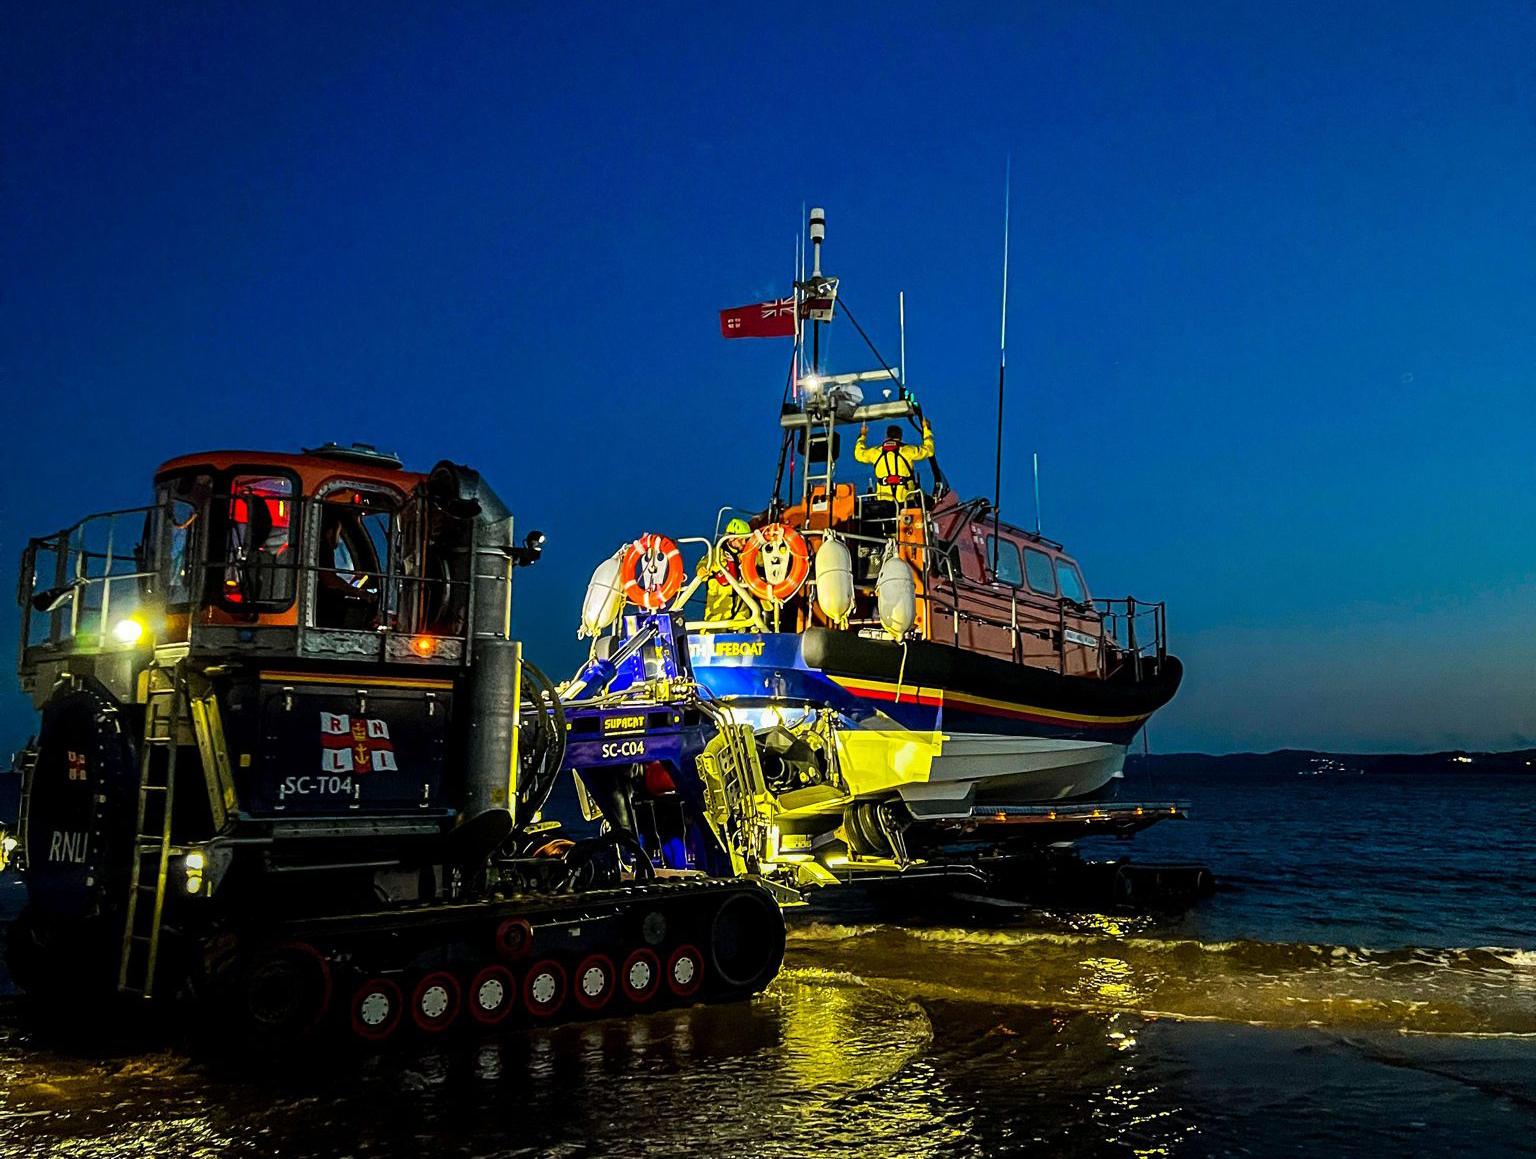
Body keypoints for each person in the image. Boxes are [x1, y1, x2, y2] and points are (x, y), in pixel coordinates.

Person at [854, 419, 935, 503]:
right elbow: (929, 450)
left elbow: (859, 454)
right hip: (906, 500)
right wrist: (926, 429)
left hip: (884, 502)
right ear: (900, 437)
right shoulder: (907, 450)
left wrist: (862, 435)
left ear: (886, 436)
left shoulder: (876, 452)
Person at [698, 517, 752, 624]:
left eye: (746, 539)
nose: (744, 542)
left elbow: (763, 559)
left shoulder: (749, 554)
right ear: (731, 538)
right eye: (741, 539)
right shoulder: (716, 553)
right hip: (718, 610)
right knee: (713, 634)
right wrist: (701, 570)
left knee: (746, 634)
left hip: (742, 612)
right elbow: (704, 563)